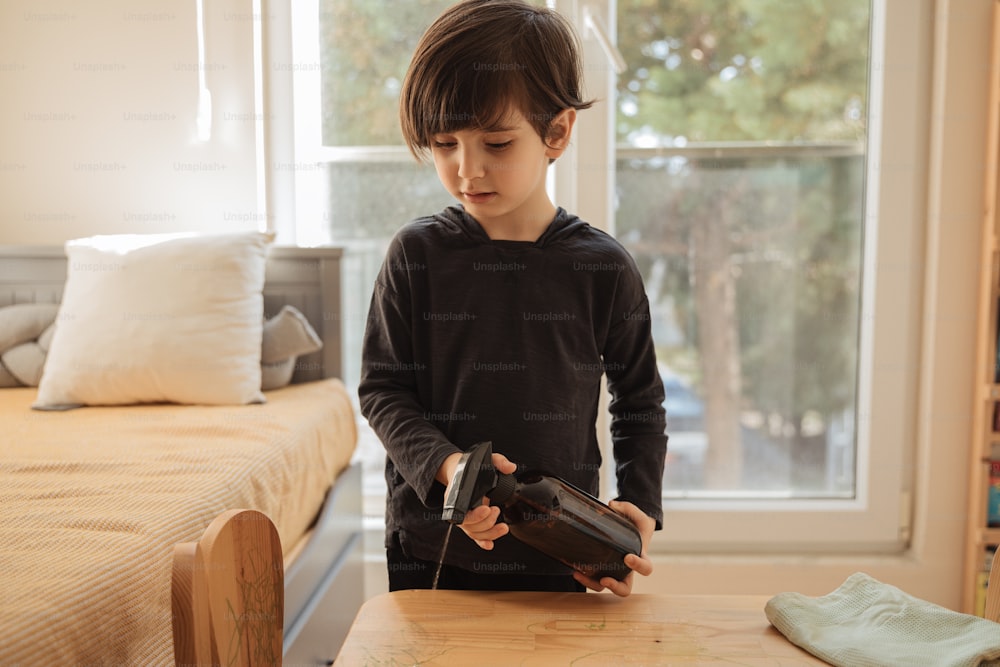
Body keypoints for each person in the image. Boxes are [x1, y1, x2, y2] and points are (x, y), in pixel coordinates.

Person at [358, 0, 667, 597]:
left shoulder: (602, 268)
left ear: (557, 131)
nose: (466, 169)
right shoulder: (416, 255)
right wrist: (452, 473)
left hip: (559, 553)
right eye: (444, 142)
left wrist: (636, 506)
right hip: (430, 551)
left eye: (496, 143)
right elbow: (383, 390)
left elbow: (639, 401)